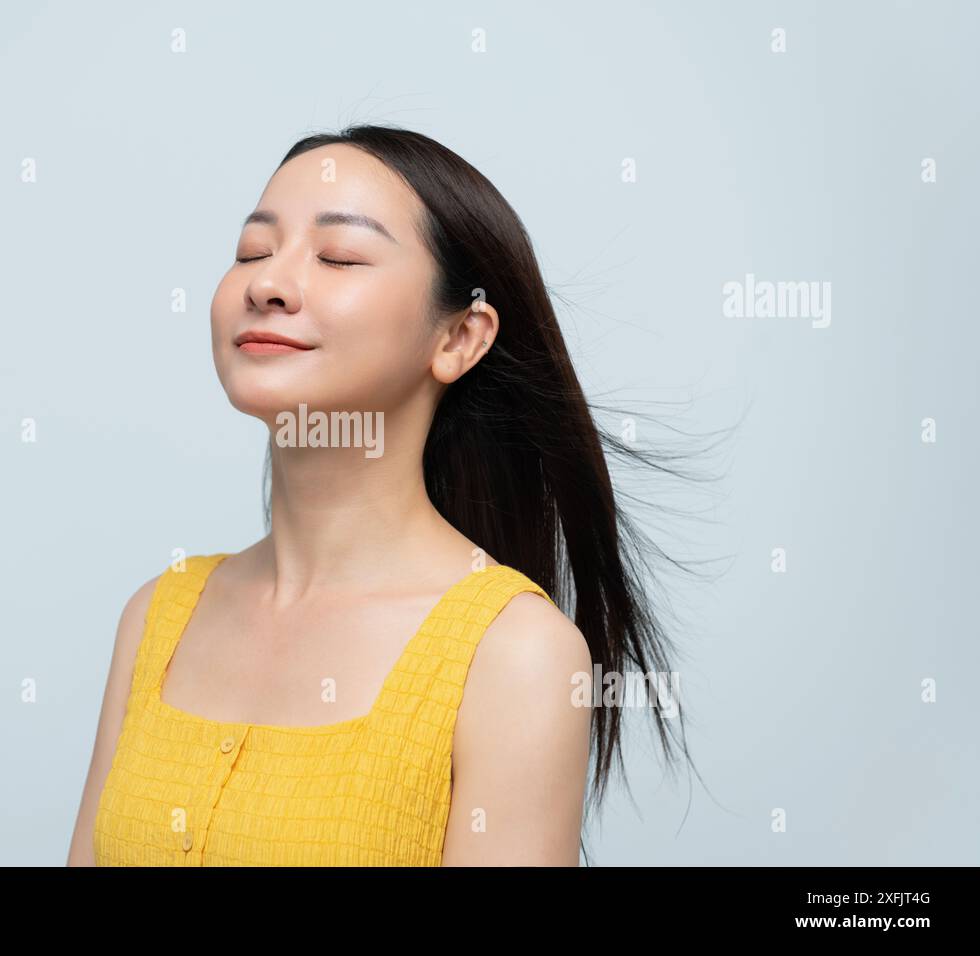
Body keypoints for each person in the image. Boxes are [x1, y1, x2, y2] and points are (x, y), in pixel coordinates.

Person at [67, 124, 688, 866]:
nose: (266, 284)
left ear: (459, 337)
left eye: (338, 257)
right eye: (252, 252)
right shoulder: (158, 616)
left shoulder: (517, 656)